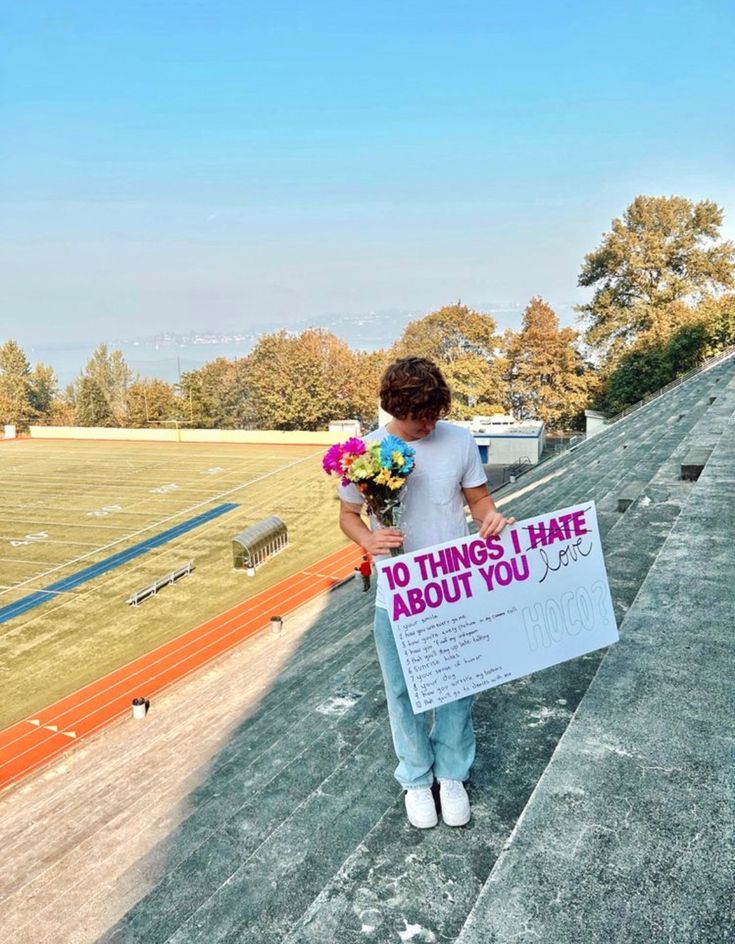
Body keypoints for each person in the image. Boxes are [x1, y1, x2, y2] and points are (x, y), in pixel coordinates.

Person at [338, 356, 514, 828]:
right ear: (394, 409)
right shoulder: (367, 452)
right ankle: (416, 780)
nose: (429, 426)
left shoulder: (458, 440)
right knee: (402, 691)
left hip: (453, 584)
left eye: (435, 415)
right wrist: (367, 540)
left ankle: (452, 774)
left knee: (459, 685)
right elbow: (348, 515)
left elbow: (477, 500)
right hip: (396, 593)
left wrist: (490, 519)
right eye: (420, 420)